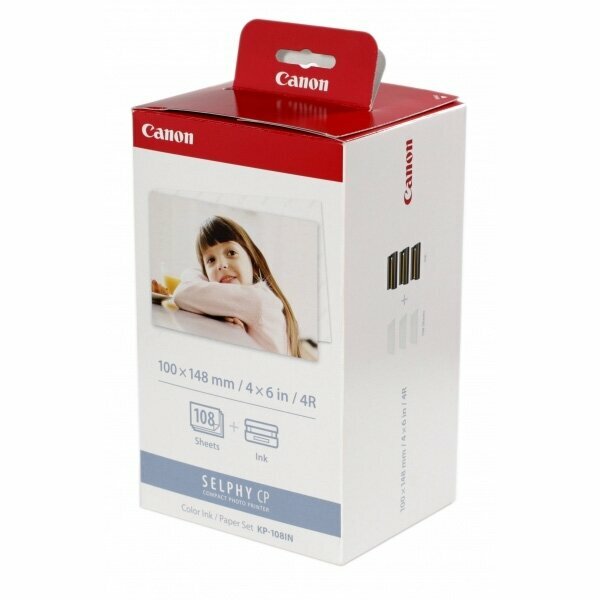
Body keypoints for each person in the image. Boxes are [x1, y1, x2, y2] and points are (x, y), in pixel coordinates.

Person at [173, 215, 301, 357]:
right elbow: (191, 273)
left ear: (253, 263)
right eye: (211, 260)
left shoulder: (256, 300)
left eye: (231, 253)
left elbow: (181, 294)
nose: (221, 265)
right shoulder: (248, 299)